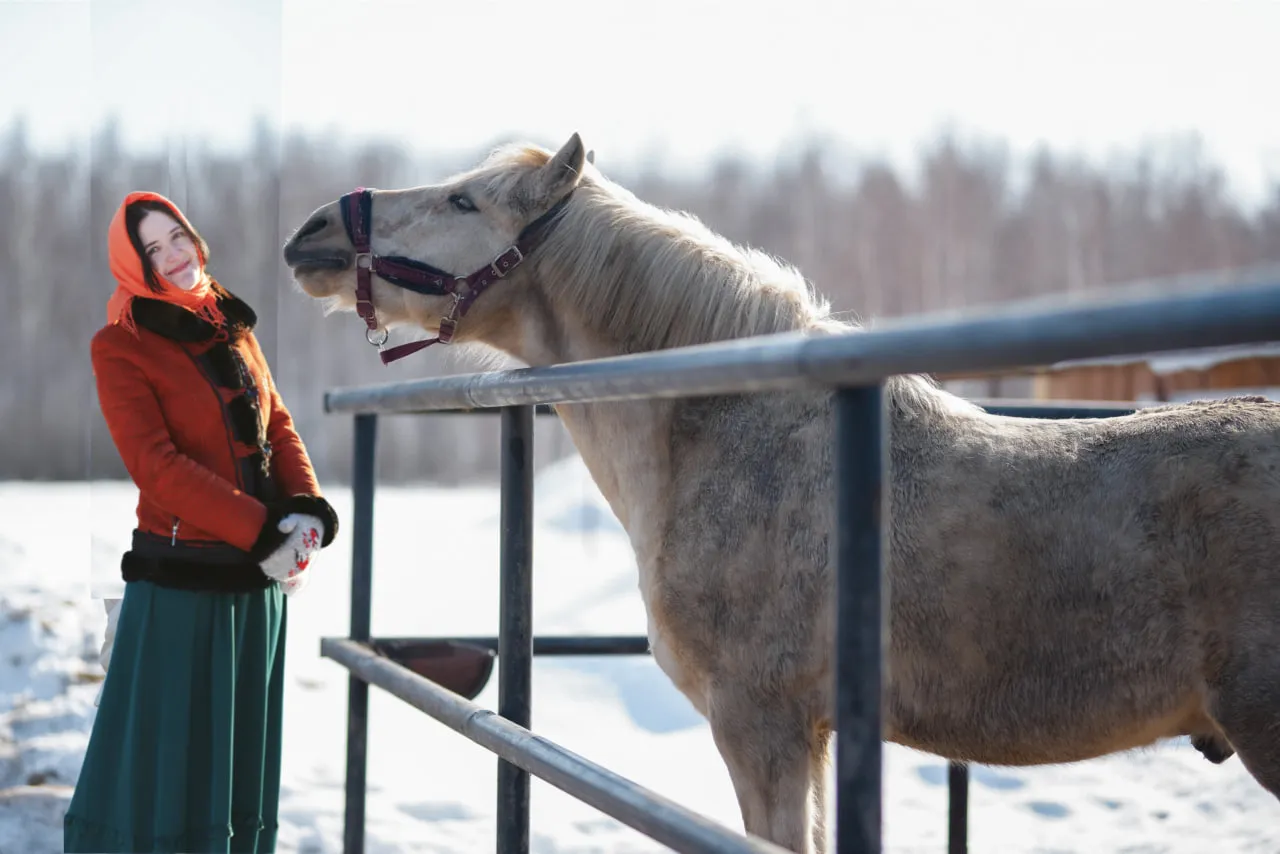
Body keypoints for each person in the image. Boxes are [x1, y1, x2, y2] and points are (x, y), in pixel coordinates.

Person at [64, 190, 340, 853]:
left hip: (258, 589)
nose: (173, 256)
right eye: (152, 250)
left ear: (196, 237)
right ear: (135, 267)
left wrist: (304, 511)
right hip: (183, 589)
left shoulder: (230, 324)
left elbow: (277, 423)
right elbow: (156, 466)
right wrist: (264, 534)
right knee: (169, 776)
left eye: (177, 237)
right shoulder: (120, 346)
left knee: (239, 772)